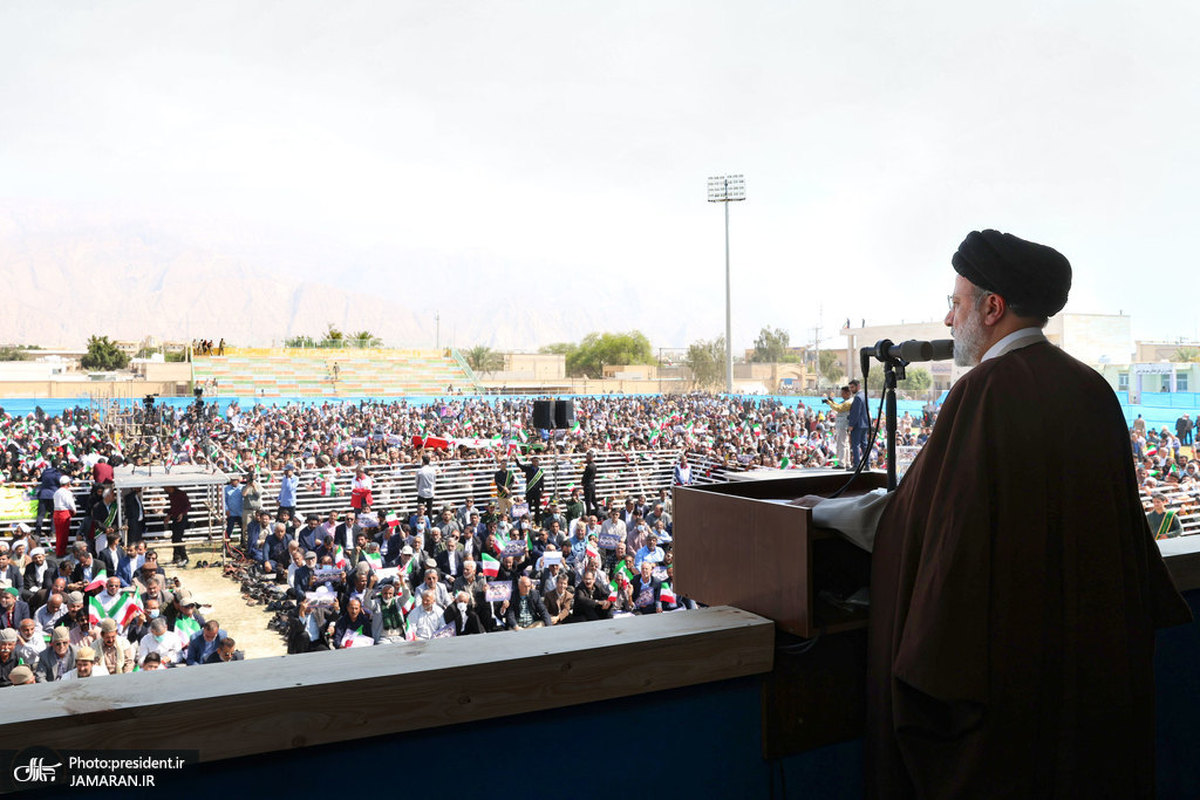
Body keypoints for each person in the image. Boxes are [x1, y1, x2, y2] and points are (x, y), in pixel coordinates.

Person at [807, 229, 1191, 798]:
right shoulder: (1092, 389)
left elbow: (917, 522)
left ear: (992, 308)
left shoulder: (983, 392)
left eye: (955, 303)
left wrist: (819, 514)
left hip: (1011, 680)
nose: (948, 320)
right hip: (1087, 676)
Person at [164, 486, 192, 567]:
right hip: (175, 517)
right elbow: (173, 507)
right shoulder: (171, 495)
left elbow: (188, 505)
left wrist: (182, 513)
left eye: (165, 488)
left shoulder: (181, 494)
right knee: (174, 538)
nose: (165, 489)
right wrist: (169, 515)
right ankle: (176, 557)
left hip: (182, 518)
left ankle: (184, 557)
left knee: (178, 538)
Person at [846, 379, 870, 468]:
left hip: (858, 424)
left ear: (858, 386)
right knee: (864, 445)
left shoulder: (858, 397)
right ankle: (867, 464)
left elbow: (856, 413)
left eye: (852, 387)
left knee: (855, 445)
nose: (851, 389)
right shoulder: (865, 396)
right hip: (865, 424)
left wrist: (851, 425)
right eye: (850, 387)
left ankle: (856, 465)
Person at [52, 474, 77, 558]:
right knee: (63, 534)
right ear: (68, 483)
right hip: (64, 513)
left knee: (59, 533)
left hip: (56, 513)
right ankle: (60, 552)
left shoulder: (56, 492)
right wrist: (74, 510)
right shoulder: (67, 492)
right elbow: (70, 503)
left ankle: (60, 550)